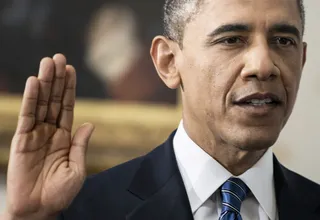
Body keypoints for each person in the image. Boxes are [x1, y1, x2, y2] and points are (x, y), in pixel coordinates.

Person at [2, 0, 320, 219]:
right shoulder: (82, 209)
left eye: (283, 41)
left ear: (302, 60)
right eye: (232, 40)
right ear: (168, 62)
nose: (264, 66)